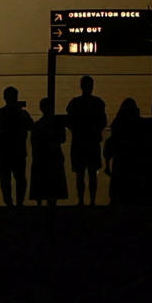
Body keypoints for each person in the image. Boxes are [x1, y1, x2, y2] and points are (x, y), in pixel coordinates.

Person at [67, 75, 108, 205]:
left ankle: (81, 201)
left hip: (79, 142)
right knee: (92, 173)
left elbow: (69, 121)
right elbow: (103, 122)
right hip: (92, 142)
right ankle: (92, 201)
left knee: (80, 173)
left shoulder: (75, 103)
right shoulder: (98, 103)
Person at [0, 87, 30, 207]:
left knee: (6, 178)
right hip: (17, 150)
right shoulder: (22, 114)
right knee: (19, 178)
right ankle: (19, 201)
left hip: (4, 150)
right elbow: (30, 125)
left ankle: (9, 202)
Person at [32, 96, 70, 206]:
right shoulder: (55, 124)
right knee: (53, 182)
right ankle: (51, 203)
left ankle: (41, 203)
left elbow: (34, 142)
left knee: (42, 181)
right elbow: (62, 138)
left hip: (43, 157)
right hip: (52, 156)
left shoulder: (38, 125)